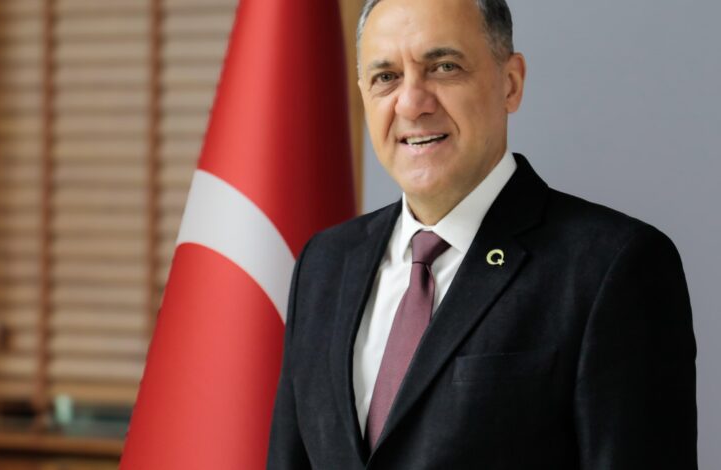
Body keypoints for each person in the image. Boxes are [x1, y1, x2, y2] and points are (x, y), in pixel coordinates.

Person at [267, 0, 698, 468]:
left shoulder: (612, 268)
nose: (411, 103)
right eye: (386, 77)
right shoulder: (324, 264)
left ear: (510, 83)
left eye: (444, 67)